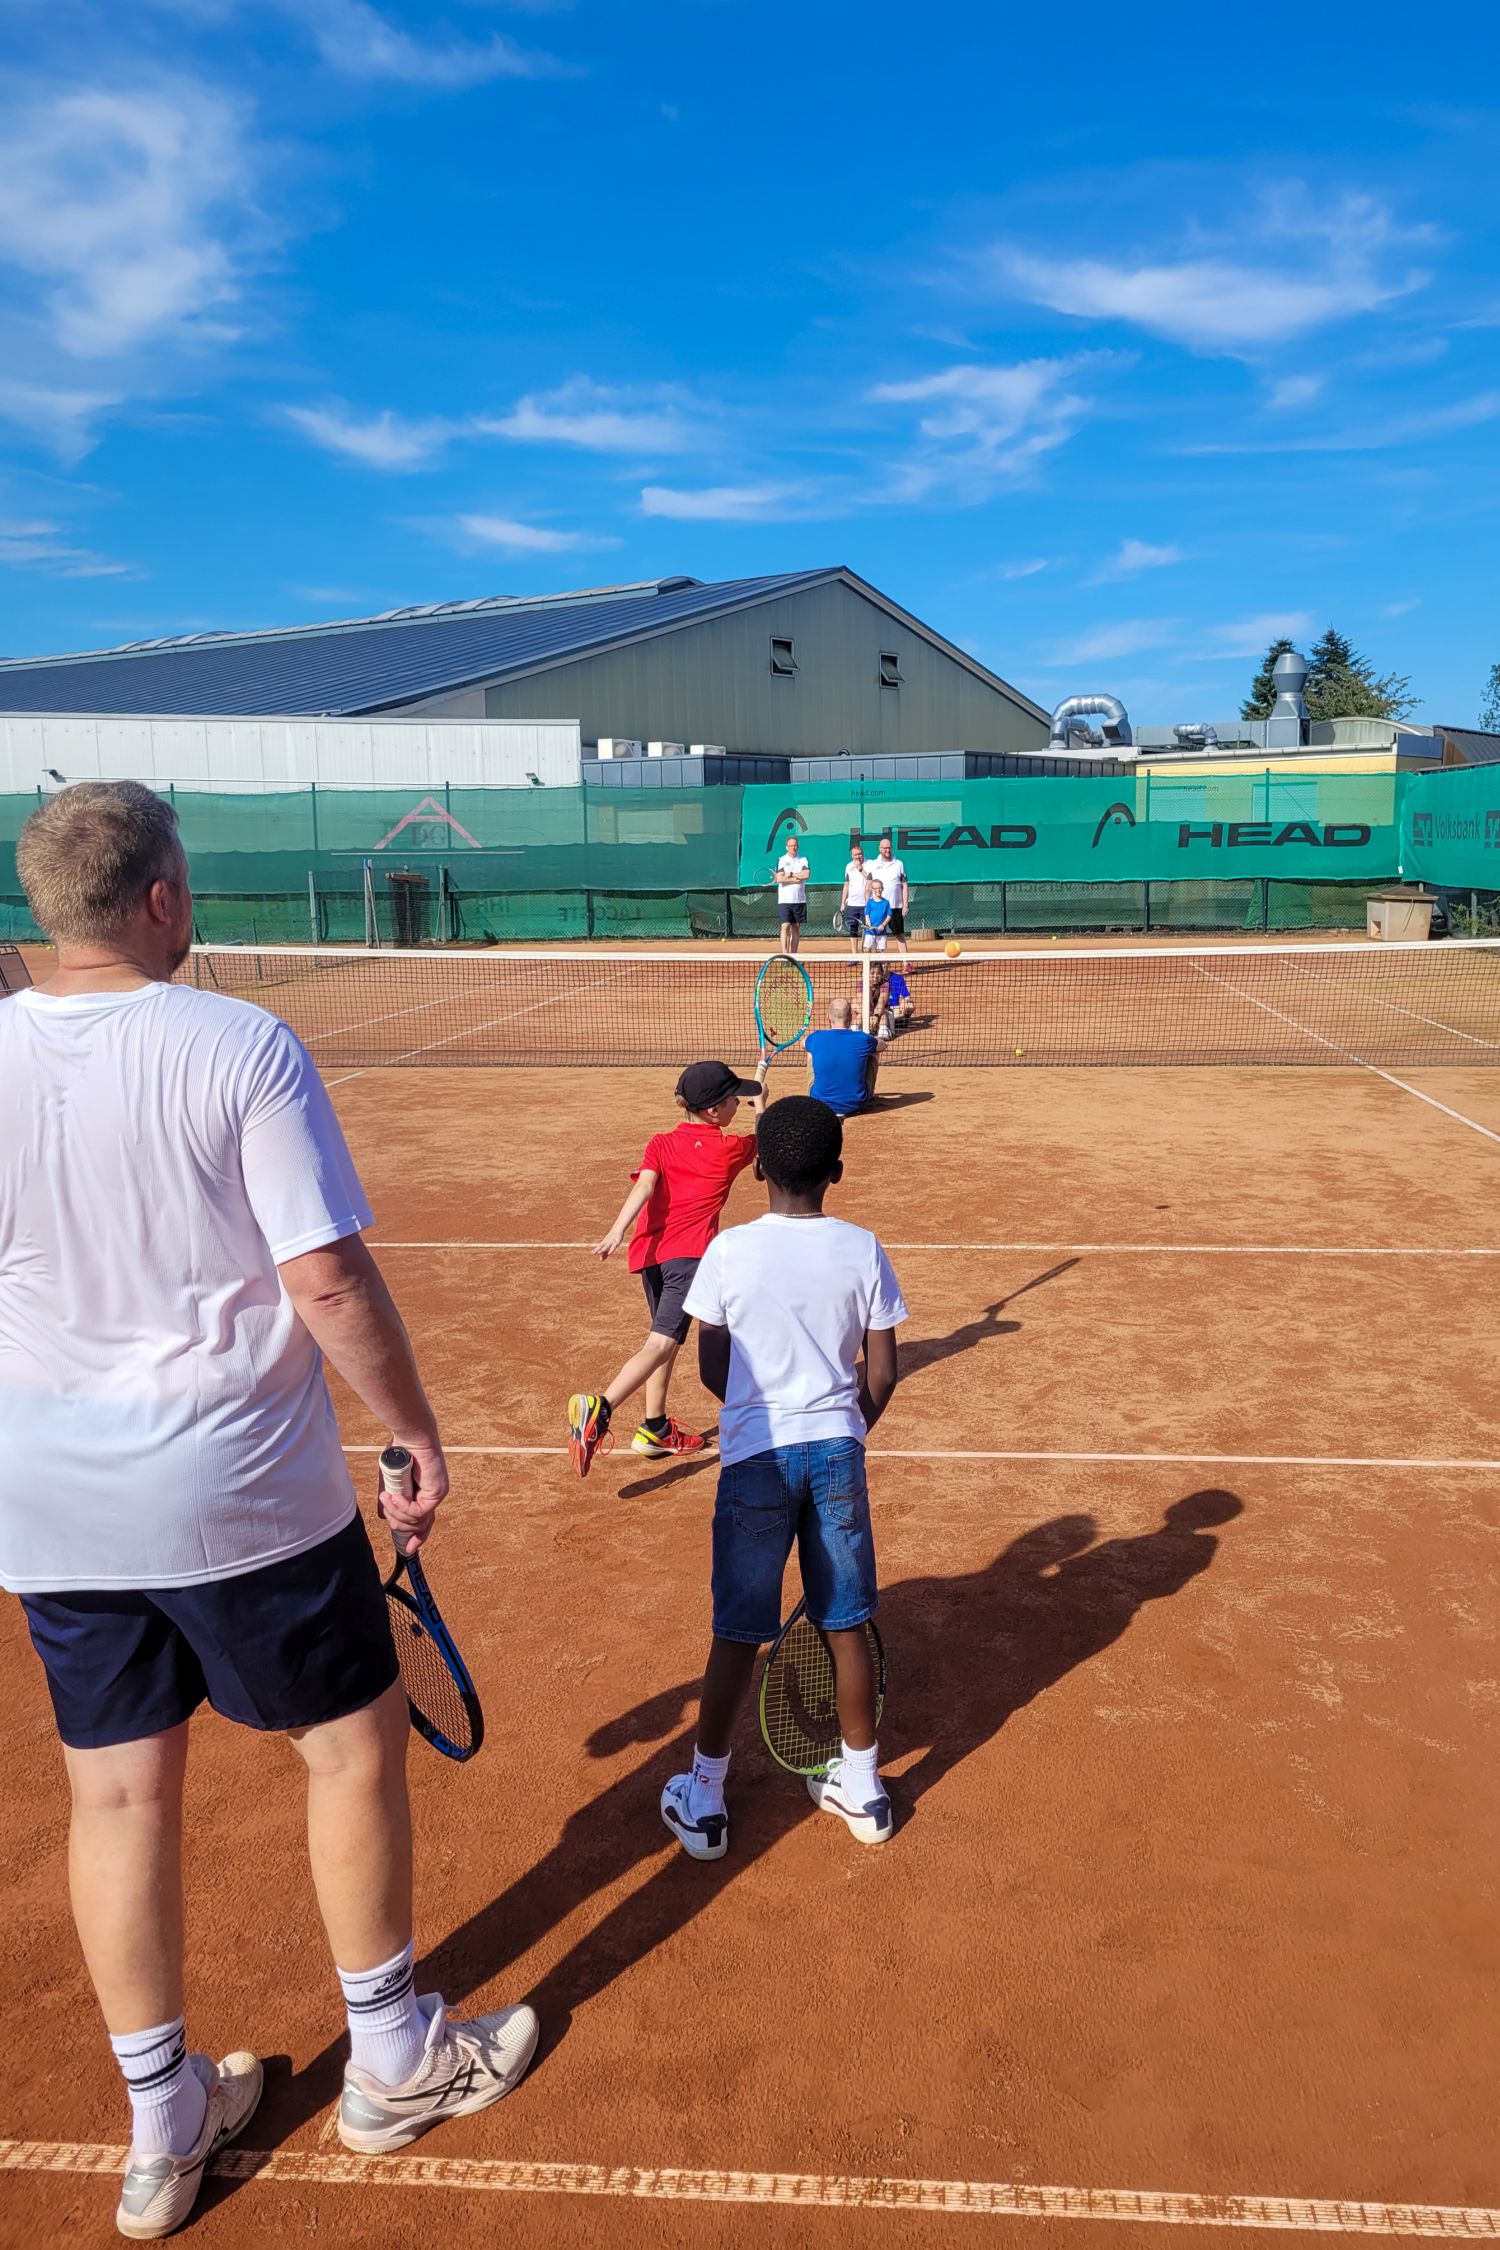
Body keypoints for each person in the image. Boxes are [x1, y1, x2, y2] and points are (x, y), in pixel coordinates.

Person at [1, 782, 538, 2243]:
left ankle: (163, 2120)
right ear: (162, 897)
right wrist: (414, 1430)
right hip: (237, 1486)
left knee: (115, 1796)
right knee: (350, 1749)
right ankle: (394, 2056)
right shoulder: (239, 1041)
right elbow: (328, 1280)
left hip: (48, 1500)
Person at [659, 1096, 907, 1860]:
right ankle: (864, 1789)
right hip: (836, 1451)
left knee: (739, 1631)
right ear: (838, 1171)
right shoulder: (863, 1248)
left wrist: (753, 1415)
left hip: (756, 1458)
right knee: (844, 1621)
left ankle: (704, 1797)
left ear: (758, 1169)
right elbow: (883, 1373)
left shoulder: (728, 1251)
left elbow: (712, 1365)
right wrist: (845, 1431)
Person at [568, 1055, 769, 1475]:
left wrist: (617, 1231)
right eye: (733, 1099)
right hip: (689, 1259)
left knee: (665, 1339)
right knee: (660, 1345)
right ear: (713, 1111)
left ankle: (655, 1428)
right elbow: (765, 1152)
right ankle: (600, 1407)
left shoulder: (660, 1142)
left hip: (650, 1255)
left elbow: (645, 1186)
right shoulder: (729, 1148)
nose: (738, 1103)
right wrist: (762, 1105)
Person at [804, 997, 879, 1117]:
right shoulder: (863, 1038)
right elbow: (883, 1045)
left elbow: (803, 1043)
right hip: (856, 1105)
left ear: (828, 1017)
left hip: (820, 1104)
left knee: (810, 1049)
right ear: (851, 1017)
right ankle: (866, 1092)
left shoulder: (816, 1037)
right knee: (874, 1050)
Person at [875, 836, 912, 964]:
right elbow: (868, 883)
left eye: (889, 847)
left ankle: (906, 963)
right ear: (880, 849)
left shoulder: (899, 864)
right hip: (879, 907)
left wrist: (905, 905)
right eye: (885, 848)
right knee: (877, 936)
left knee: (899, 935)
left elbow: (905, 885)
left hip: (896, 906)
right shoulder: (873, 864)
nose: (887, 850)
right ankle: (878, 965)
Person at [773, 832, 809, 956]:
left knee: (796, 927)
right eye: (791, 845)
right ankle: (785, 955)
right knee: (785, 926)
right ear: (786, 847)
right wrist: (796, 879)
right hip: (785, 900)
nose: (793, 848)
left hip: (799, 900)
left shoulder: (803, 860)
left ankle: (793, 956)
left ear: (798, 846)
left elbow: (806, 875)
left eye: (795, 845)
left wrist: (791, 875)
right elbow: (779, 878)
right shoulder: (781, 860)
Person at [840, 843, 867, 956]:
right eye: (855, 855)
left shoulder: (869, 864)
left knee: (867, 930)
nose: (858, 856)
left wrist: (860, 869)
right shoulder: (848, 866)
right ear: (851, 855)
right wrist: (843, 902)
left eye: (859, 854)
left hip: (866, 903)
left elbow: (871, 880)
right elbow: (846, 885)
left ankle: (866, 955)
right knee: (853, 929)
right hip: (852, 904)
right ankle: (854, 955)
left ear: (863, 854)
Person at [861, 875, 892, 953]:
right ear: (872, 889)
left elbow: (889, 916)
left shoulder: (886, 902)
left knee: (880, 951)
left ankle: (881, 961)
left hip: (881, 932)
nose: (878, 890)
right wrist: (869, 925)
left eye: (880, 888)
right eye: (875, 888)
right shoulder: (870, 902)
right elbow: (867, 915)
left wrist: (883, 925)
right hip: (869, 932)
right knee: (867, 950)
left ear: (883, 888)